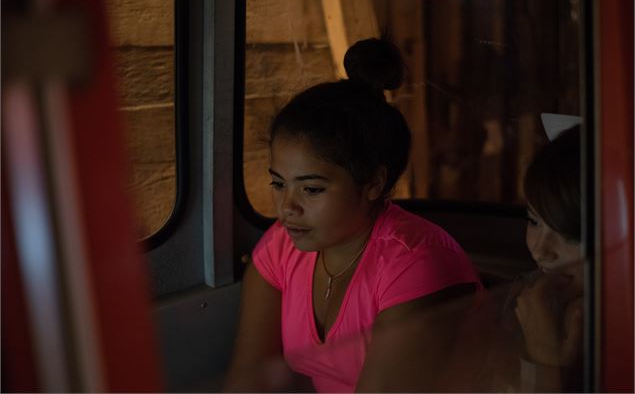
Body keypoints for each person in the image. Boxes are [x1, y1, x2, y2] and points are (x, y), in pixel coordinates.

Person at [224, 38, 481, 392]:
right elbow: (248, 380)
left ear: (373, 183)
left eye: (311, 189)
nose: (287, 207)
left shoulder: (414, 265)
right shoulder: (282, 247)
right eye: (279, 184)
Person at [514, 123, 584, 392]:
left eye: (570, 235)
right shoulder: (525, 301)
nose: (540, 251)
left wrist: (544, 358)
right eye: (533, 221)